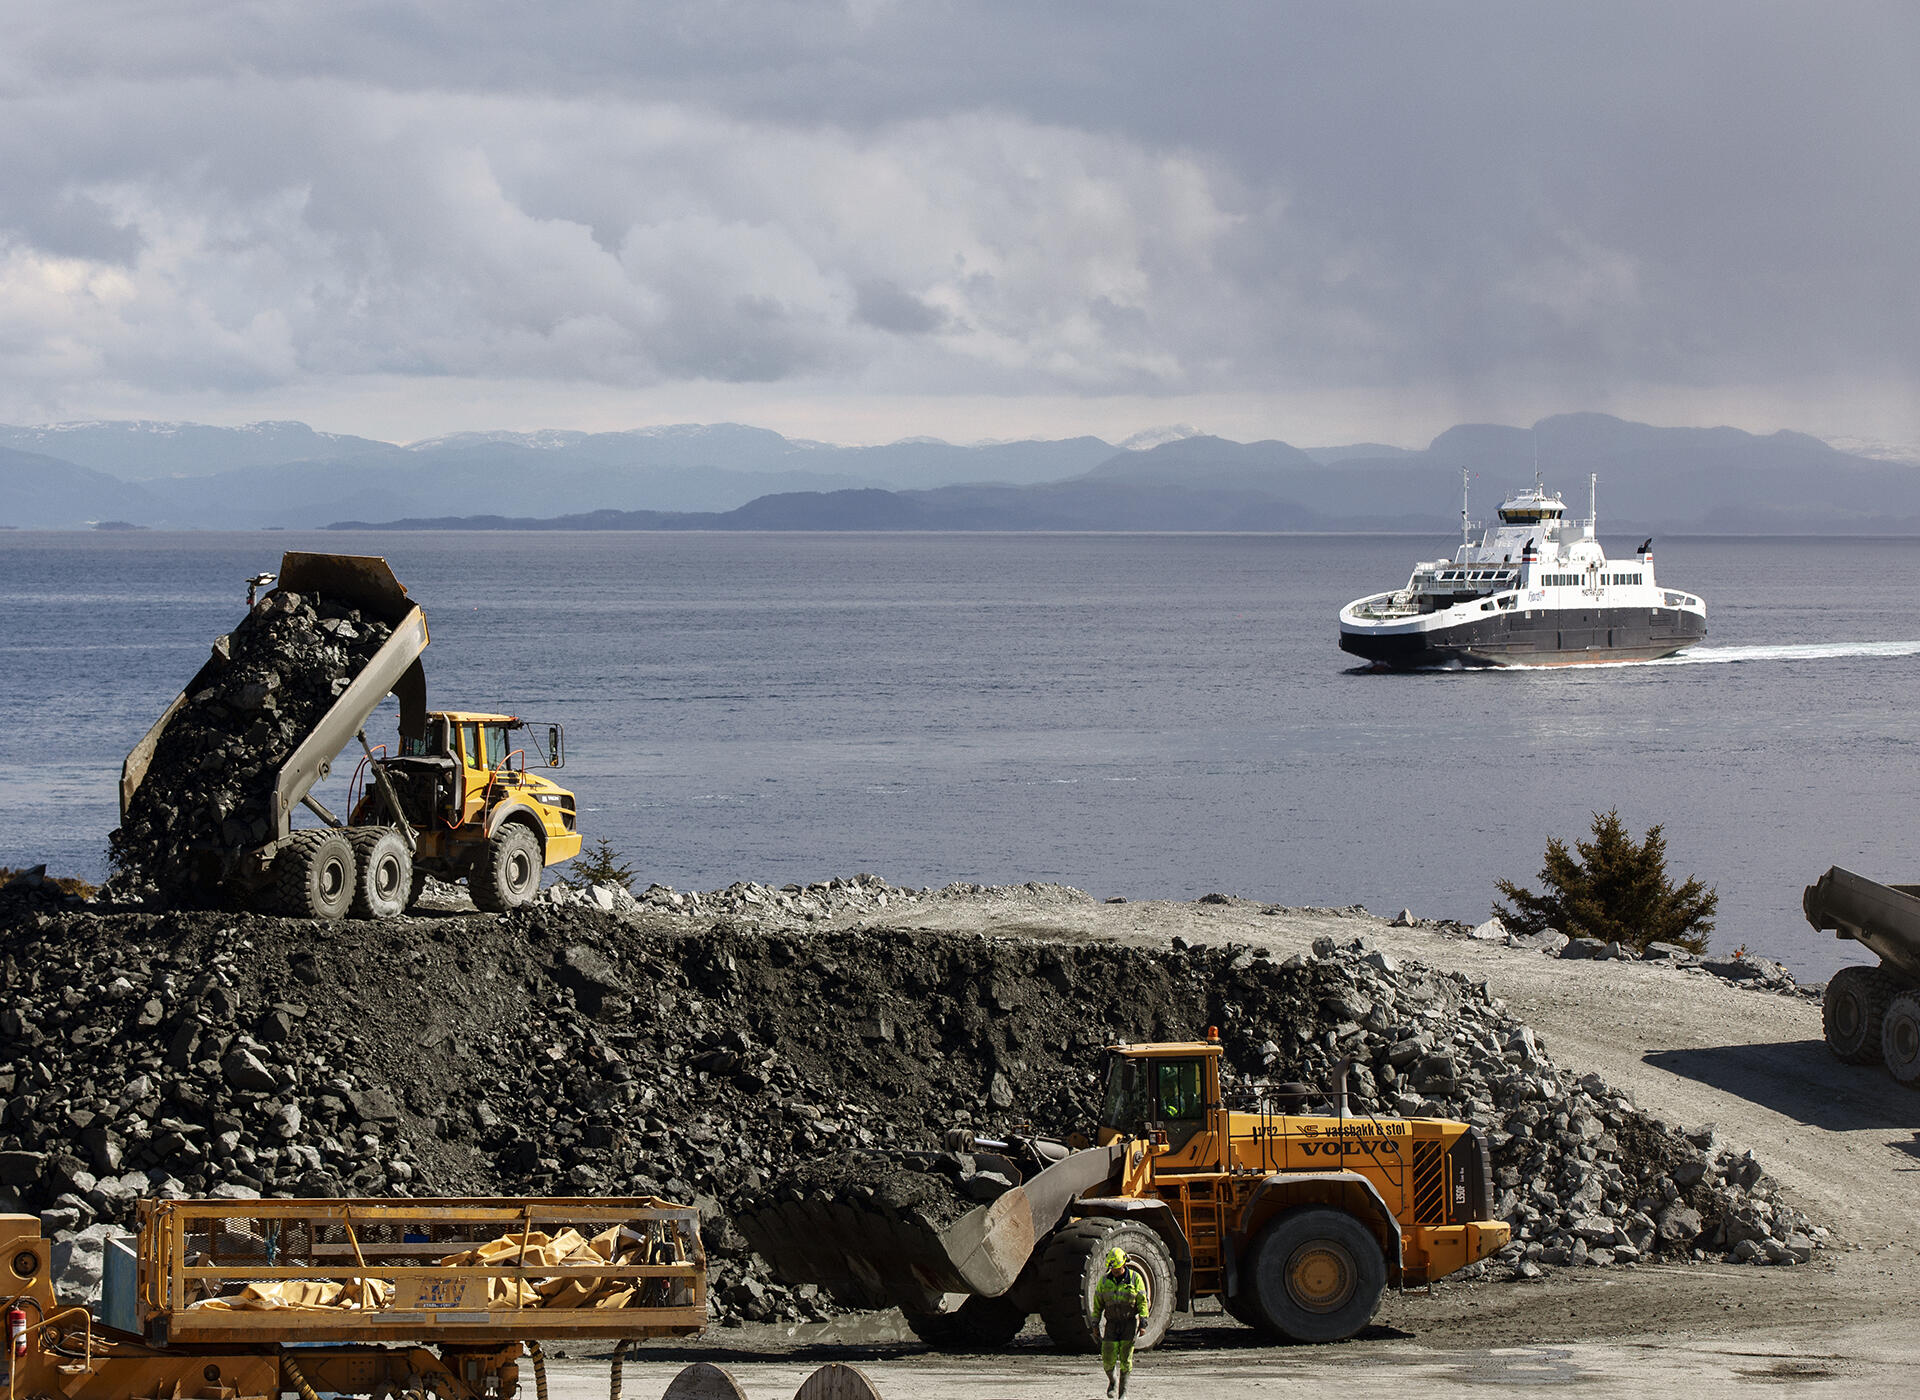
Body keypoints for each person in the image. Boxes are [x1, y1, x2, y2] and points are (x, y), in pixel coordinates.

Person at [1091, 1246, 1149, 1396]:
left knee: (1125, 1358)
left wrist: (1143, 1322)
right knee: (1108, 1356)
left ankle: (1123, 1393)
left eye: (1117, 1268)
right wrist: (1095, 1324)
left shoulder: (1135, 1279)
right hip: (1111, 1324)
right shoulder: (1104, 1282)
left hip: (1128, 1324)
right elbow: (1097, 1304)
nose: (1115, 1271)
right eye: (1113, 1268)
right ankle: (1112, 1381)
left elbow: (1143, 1302)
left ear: (1124, 1264)